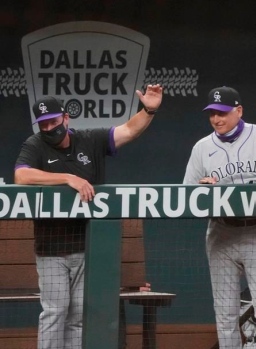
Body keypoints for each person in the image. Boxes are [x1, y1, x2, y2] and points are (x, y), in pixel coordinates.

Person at [14, 85, 163, 349]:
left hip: (88, 246)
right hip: (51, 248)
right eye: (43, 124)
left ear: (66, 118)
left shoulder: (90, 140)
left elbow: (128, 130)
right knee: (54, 312)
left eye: (53, 121)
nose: (49, 128)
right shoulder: (35, 144)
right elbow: (21, 175)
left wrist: (149, 109)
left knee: (79, 316)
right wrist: (68, 178)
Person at [182, 86, 256, 349]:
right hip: (221, 233)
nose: (216, 119)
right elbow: (185, 195)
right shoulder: (202, 147)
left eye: (223, 113)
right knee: (226, 314)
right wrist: (203, 193)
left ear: (239, 111)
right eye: (212, 114)